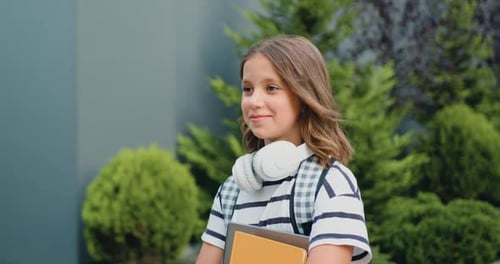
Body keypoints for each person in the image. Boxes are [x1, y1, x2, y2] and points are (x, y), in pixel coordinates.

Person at [196, 35, 372, 264]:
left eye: (271, 88)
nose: (254, 101)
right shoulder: (232, 190)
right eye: (247, 89)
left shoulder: (331, 184)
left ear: (304, 96)